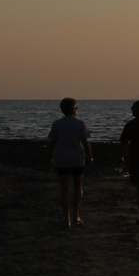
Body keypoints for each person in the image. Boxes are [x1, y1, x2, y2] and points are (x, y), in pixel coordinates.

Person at [47, 97, 93, 228]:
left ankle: (66, 218)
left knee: (65, 189)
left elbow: (52, 143)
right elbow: (85, 143)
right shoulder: (80, 123)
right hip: (77, 158)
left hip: (62, 158)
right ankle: (76, 215)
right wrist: (89, 158)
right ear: (74, 109)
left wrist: (49, 159)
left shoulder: (57, 124)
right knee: (77, 186)